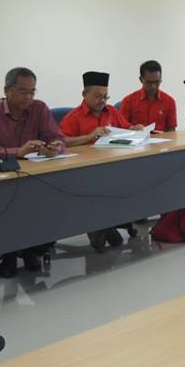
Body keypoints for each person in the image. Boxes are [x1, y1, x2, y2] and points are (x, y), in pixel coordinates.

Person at [0, 67, 66, 277]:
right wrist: (18, 152)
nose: (29, 97)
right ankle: (9, 252)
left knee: (48, 202)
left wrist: (54, 148)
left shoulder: (39, 109)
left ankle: (32, 248)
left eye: (32, 91)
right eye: (23, 91)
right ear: (7, 90)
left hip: (32, 179)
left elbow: (58, 139)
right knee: (12, 204)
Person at [60, 71, 144, 252]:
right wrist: (90, 136)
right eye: (98, 96)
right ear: (85, 94)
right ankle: (100, 226)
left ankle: (107, 224)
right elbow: (61, 142)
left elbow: (125, 128)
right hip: (86, 172)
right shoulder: (73, 117)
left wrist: (135, 128)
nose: (102, 101)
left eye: (106, 96)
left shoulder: (112, 111)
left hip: (114, 167)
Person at [119, 60, 178, 132]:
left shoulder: (169, 101)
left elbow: (172, 130)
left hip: (162, 138)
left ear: (160, 78)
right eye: (149, 82)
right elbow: (120, 127)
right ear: (141, 79)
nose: (153, 86)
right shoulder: (128, 101)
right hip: (137, 138)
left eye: (156, 82)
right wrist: (132, 128)